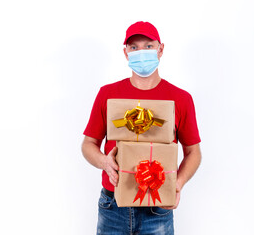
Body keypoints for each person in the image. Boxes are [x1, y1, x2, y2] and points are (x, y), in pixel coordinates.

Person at [81, 21, 202, 235]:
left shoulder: (181, 99)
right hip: (112, 205)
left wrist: (178, 183)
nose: (141, 52)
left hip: (158, 207)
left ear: (160, 49)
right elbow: (88, 144)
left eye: (148, 46)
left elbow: (193, 152)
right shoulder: (107, 94)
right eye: (134, 47)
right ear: (126, 53)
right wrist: (104, 162)